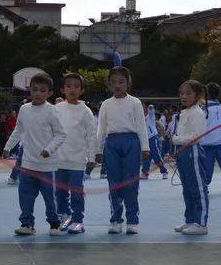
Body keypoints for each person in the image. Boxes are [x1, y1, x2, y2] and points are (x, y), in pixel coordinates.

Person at [3, 72, 67, 236]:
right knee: (25, 196)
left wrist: (49, 149)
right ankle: (27, 223)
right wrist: (8, 147)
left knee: (49, 198)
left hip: (47, 166)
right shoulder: (24, 109)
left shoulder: (52, 111)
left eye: (42, 90)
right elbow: (18, 130)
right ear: (29, 90)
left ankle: (54, 223)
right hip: (27, 164)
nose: (38, 93)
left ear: (49, 93)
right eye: (35, 89)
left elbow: (61, 134)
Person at [95, 66, 149, 235]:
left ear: (128, 83)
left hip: (131, 142)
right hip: (112, 143)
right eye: (113, 82)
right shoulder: (105, 104)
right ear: (109, 85)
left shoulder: (135, 102)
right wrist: (98, 149)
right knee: (114, 183)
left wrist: (145, 147)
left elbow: (141, 126)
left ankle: (132, 220)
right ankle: (116, 219)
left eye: (121, 82)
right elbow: (101, 128)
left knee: (131, 183)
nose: (117, 85)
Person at [54, 73, 97, 235]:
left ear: (82, 90)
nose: (72, 89)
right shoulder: (56, 109)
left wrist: (91, 157)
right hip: (59, 160)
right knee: (60, 192)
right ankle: (65, 217)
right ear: (62, 89)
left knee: (77, 192)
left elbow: (91, 136)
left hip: (78, 161)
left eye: (76, 86)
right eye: (69, 86)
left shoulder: (85, 111)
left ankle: (78, 220)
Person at [172, 80, 210, 235]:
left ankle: (201, 223)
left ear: (197, 95)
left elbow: (197, 136)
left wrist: (177, 139)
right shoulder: (184, 112)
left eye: (188, 93)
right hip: (182, 153)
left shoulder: (197, 112)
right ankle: (190, 220)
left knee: (198, 187)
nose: (184, 96)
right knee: (187, 188)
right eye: (182, 93)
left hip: (192, 152)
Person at [141, 104, 169, 180]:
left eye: (143, 107)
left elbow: (151, 110)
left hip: (152, 138)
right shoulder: (140, 119)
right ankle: (145, 172)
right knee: (146, 156)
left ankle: (164, 171)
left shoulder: (150, 117)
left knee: (156, 156)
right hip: (145, 140)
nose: (141, 109)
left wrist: (150, 107)